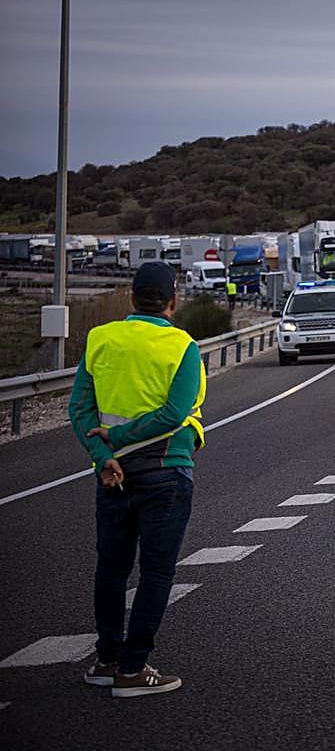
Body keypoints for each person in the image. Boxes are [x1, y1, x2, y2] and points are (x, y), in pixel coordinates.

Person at [69, 261, 204, 698]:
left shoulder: (100, 338)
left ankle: (107, 660)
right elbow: (174, 414)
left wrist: (104, 455)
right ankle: (133, 669)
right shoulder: (182, 347)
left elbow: (80, 410)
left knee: (111, 568)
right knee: (157, 571)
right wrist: (122, 437)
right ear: (173, 301)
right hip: (165, 473)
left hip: (112, 476)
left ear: (131, 298)